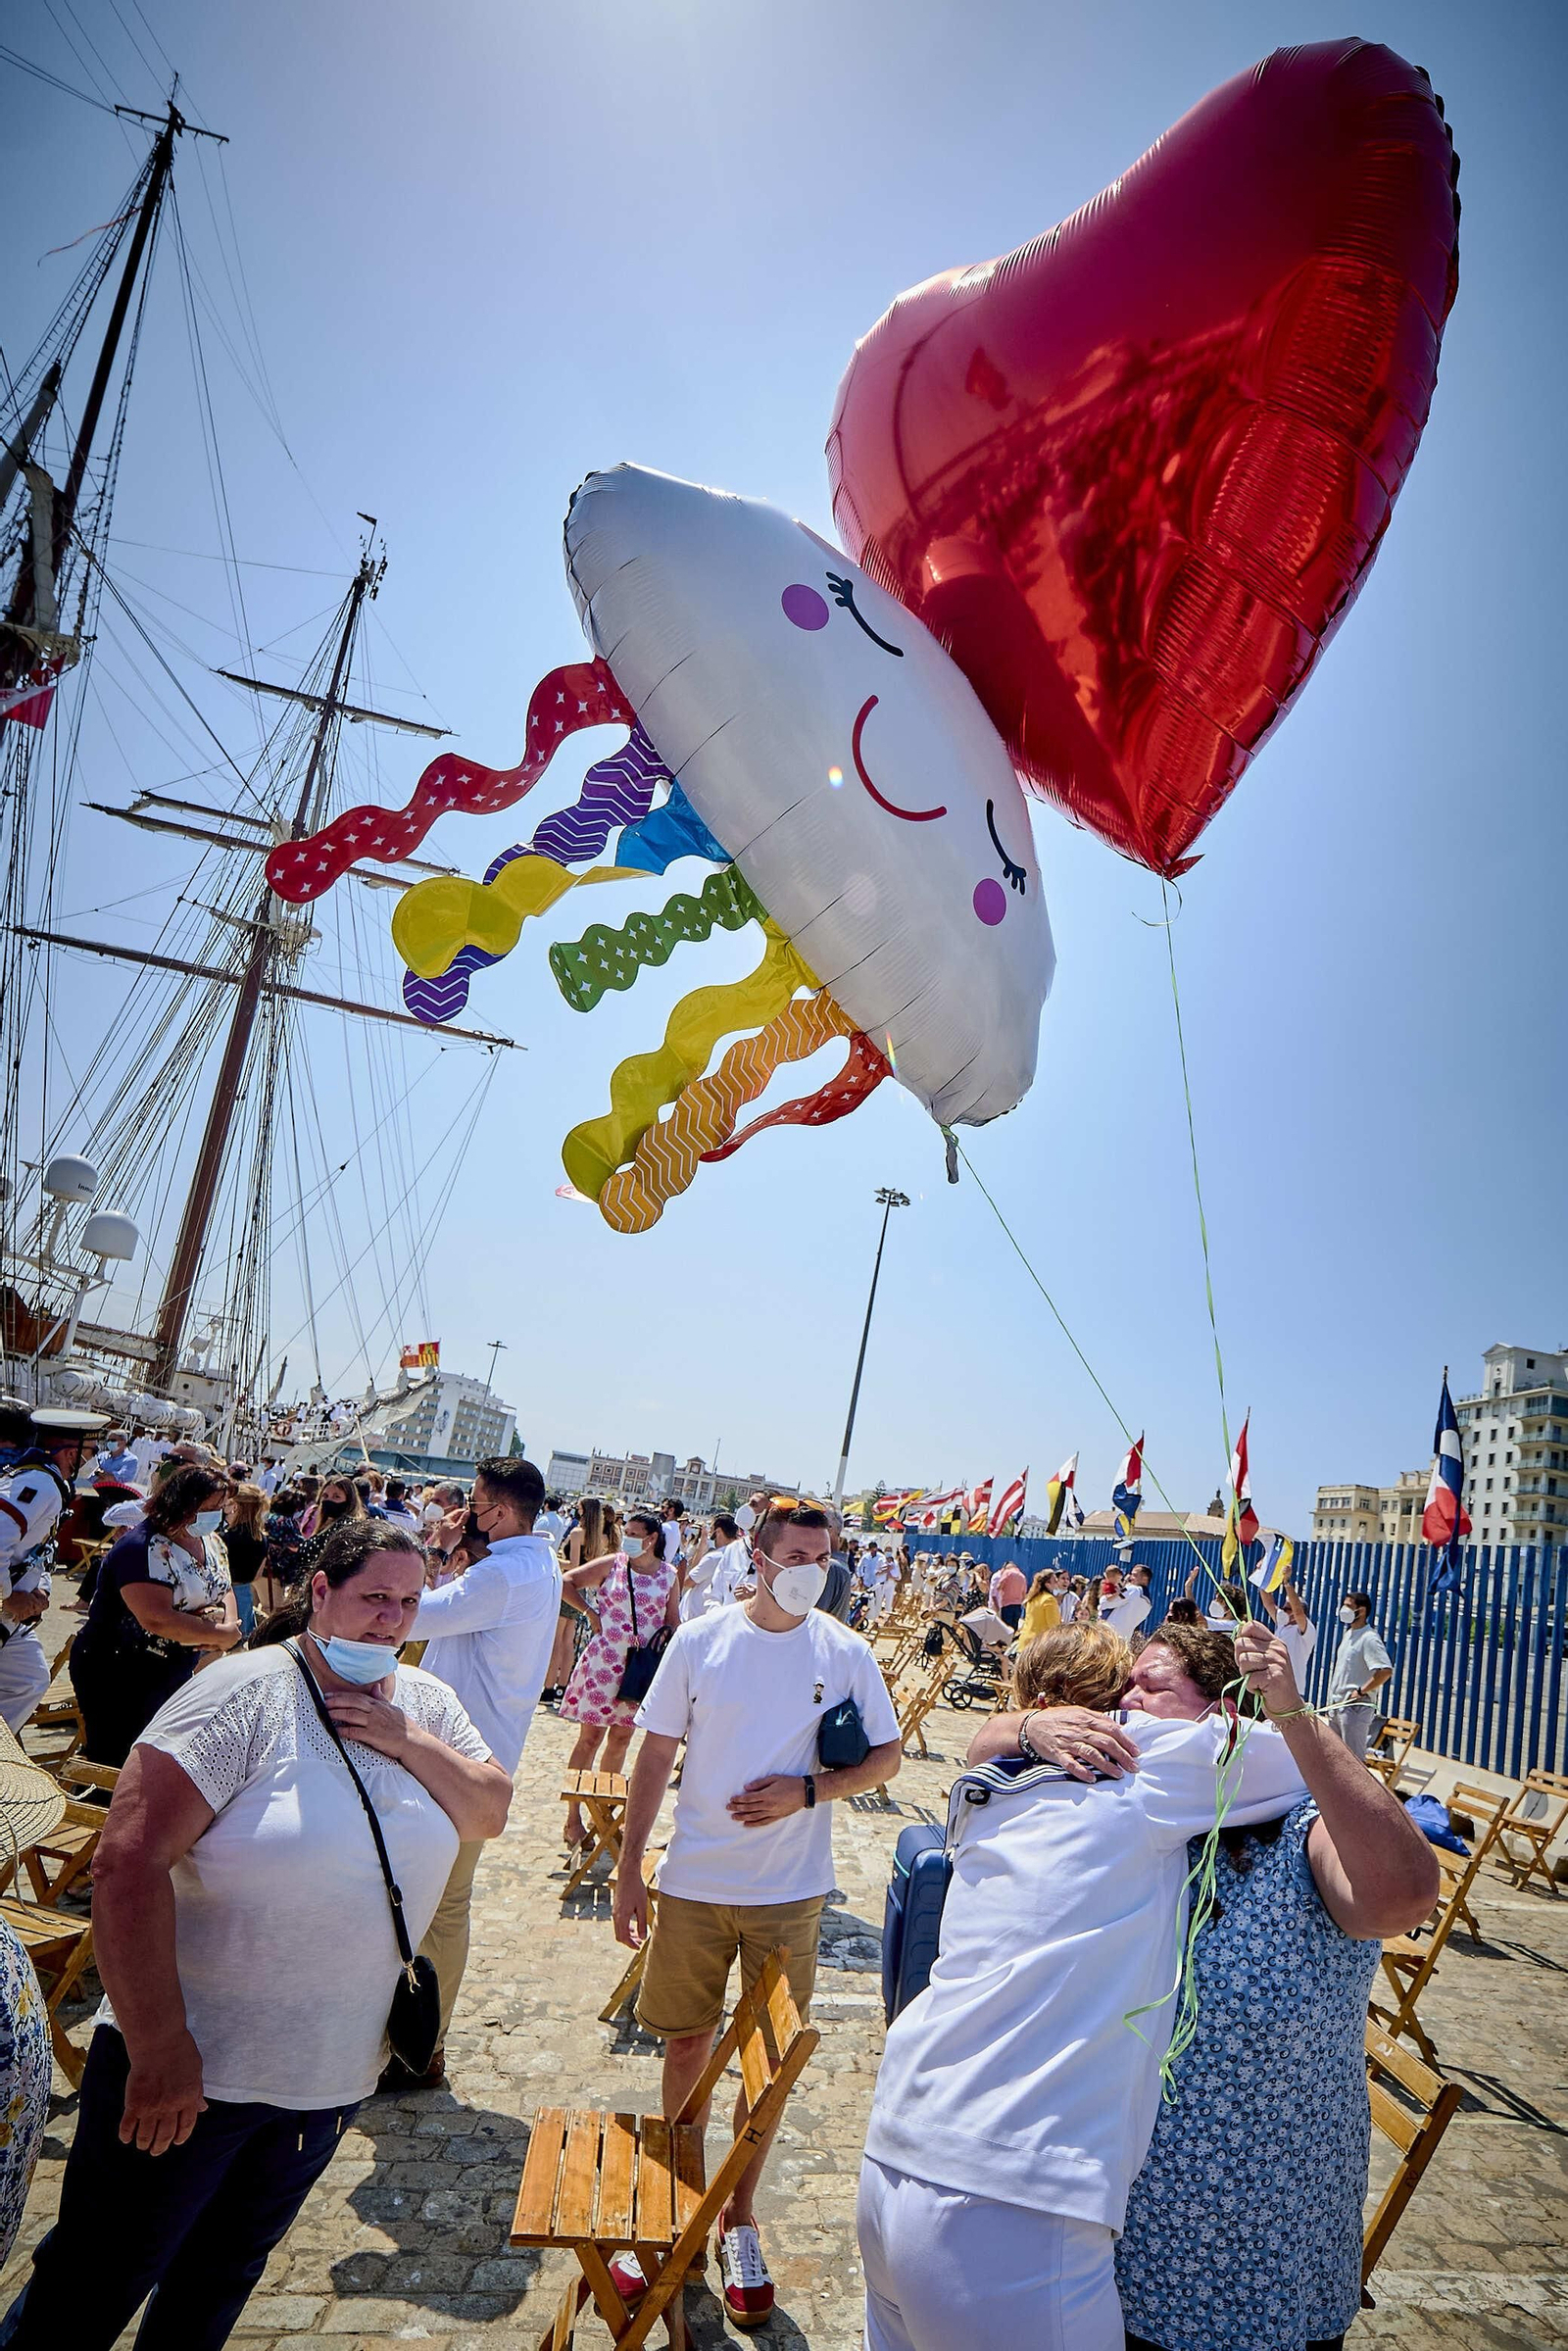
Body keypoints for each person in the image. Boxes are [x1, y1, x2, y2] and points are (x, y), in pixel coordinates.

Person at [0, 1521, 512, 2351]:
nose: (392, 1620)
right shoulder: (242, 1692)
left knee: (219, 2279)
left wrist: (403, 1738)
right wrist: (161, 2049)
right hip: (193, 2077)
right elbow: (128, 1863)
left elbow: (488, 1808)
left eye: (410, 1601)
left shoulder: (428, 1703)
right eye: (374, 1596)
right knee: (92, 2284)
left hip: (328, 2078)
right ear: (320, 1591)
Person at [966, 1623, 1437, 2351]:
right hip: (1119, 2247)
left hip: (1253, 2257)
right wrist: (1028, 1722)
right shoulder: (1144, 1810)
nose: (1124, 1702)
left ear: (1222, 1712)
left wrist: (1292, 1713)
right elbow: (976, 1757)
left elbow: (1403, 1897)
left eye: (1148, 1687)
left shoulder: (1299, 1825)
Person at [857, 1621, 1311, 2351]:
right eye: (1123, 1689)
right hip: (1009, 2199)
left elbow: (980, 1744)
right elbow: (1312, 1758)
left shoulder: (992, 1785)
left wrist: (1017, 1724)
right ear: (1092, 1708)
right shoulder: (1144, 1762)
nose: (1131, 1701)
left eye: (1148, 1686)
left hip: (896, 2153)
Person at [612, 1500, 902, 2327]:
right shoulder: (701, 1640)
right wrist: (630, 1868)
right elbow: (654, 1753)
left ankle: (738, 2218)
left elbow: (885, 1755)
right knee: (686, 2046)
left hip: (791, 1892)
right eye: (800, 1552)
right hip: (696, 1883)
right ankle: (676, 2208)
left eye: (826, 1554)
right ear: (759, 1556)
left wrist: (810, 1790)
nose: (815, 1566)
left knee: (766, 2064)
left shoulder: (844, 1650)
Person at [400, 1455, 561, 2081]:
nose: (467, 1510)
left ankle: (425, 2045)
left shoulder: (502, 1576)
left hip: (463, 1756)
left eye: (474, 1500)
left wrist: (441, 1553)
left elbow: (420, 1614)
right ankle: (419, 2037)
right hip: (484, 1745)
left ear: (498, 1509)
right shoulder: (534, 1559)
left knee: (441, 1902)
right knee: (442, 1898)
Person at [70, 1464, 241, 1768]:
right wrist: (219, 1636)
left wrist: (227, 1625)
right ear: (183, 1504)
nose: (216, 1514)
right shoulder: (141, 1548)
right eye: (209, 1507)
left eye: (220, 1507)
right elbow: (157, 1619)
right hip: (120, 1670)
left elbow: (223, 1586)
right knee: (120, 1756)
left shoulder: (210, 1542)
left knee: (156, 1754)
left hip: (174, 1666)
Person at [559, 1513, 680, 1848]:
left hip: (640, 1667)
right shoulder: (613, 1563)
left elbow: (673, 1622)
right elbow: (567, 1581)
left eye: (634, 1533)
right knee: (590, 1738)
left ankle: (606, 1814)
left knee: (622, 1739)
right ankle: (573, 1818)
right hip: (604, 1661)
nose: (627, 1537)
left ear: (652, 1538)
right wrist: (590, 1613)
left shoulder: (668, 1576)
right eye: (626, 1531)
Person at [0, 1407, 108, 1731]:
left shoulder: (47, 1481)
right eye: (92, 1452)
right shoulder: (41, 1483)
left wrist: (43, 1586)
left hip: (15, 1610)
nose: (93, 1460)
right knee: (28, 1680)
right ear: (73, 1452)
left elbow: (40, 1549)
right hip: (6, 1605)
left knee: (30, 1680)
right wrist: (6, 1599)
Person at [1326, 1588, 1393, 1757]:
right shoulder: (1349, 1634)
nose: (1343, 1610)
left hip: (1354, 1708)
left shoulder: (1369, 1638)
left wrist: (1361, 1691)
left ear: (1361, 1611)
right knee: (1335, 1757)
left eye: (1348, 1606)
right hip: (1337, 1705)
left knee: (1353, 1759)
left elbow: (1385, 1670)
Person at [291, 1475, 365, 1581]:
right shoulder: (326, 1524)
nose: (329, 1500)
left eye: (336, 1497)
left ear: (349, 1501)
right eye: (325, 1496)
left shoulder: (346, 1528)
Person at [220, 1483, 267, 1637]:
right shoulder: (262, 1539)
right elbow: (257, 1575)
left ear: (236, 1507)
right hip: (245, 1594)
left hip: (224, 1596)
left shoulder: (225, 1538)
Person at [1260, 1572, 1318, 1692]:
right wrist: (1263, 1573)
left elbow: (1298, 1612)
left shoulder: (1306, 1630)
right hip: (1274, 1684)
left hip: (1292, 1689)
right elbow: (1268, 1602)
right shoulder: (1282, 1625)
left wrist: (1287, 1583)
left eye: (1287, 1609)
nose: (1282, 1611)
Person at [1100, 1559, 1153, 1641]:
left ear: (1144, 1578)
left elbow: (1104, 1603)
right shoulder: (1148, 1602)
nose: (1130, 1577)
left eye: (1134, 1575)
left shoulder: (1133, 1590)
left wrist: (1104, 1596)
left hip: (1109, 1634)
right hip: (1124, 1638)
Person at [1017, 1570, 1059, 1644]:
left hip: (1025, 1641)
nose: (1057, 1583)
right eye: (1055, 1581)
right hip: (1039, 1643)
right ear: (1047, 1584)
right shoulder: (1049, 1599)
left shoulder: (1032, 1598)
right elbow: (1054, 1626)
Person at [987, 1558, 1027, 1631]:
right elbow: (1024, 1593)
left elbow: (999, 1587)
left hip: (1007, 1605)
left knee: (1005, 1628)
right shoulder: (1022, 1576)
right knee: (1014, 1627)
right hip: (1018, 1606)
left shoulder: (1007, 1573)